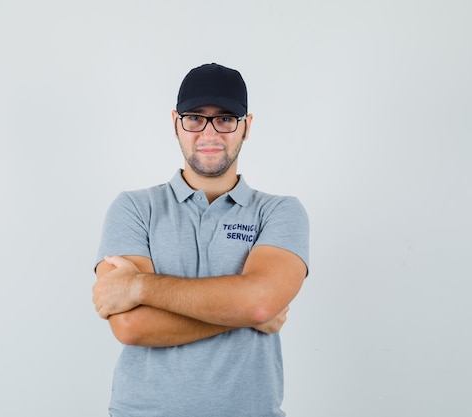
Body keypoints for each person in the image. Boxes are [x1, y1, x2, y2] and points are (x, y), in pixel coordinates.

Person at [92, 63, 309, 417]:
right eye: (195, 118)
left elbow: (260, 303)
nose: (209, 133)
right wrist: (244, 311)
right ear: (176, 122)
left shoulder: (279, 212)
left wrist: (140, 288)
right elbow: (132, 326)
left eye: (225, 119)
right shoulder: (133, 208)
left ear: (247, 126)